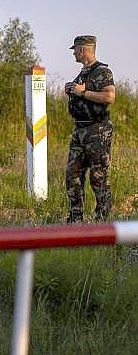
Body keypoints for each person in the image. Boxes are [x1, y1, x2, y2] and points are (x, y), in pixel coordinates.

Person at [64, 35, 116, 223]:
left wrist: (82, 92)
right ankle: (75, 219)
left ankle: (102, 220)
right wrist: (72, 89)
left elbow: (109, 97)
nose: (74, 54)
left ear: (83, 50)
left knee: (98, 176)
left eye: (75, 50)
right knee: (72, 175)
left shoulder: (102, 71)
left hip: (98, 131)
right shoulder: (83, 73)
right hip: (80, 130)